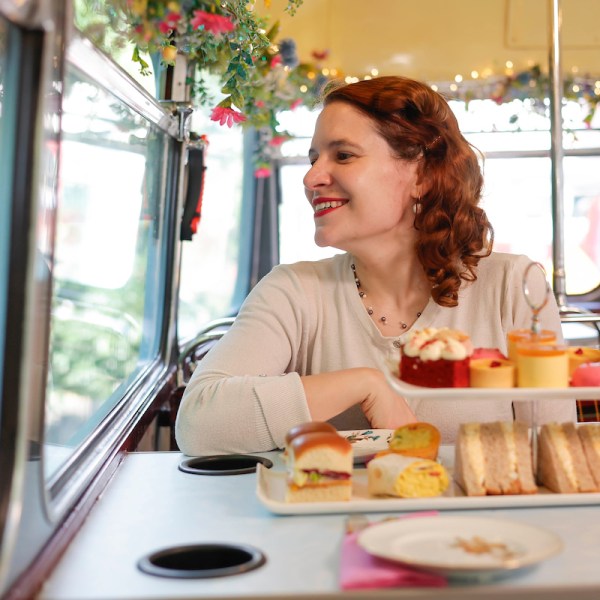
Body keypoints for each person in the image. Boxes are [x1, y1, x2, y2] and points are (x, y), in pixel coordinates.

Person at [175, 75, 575, 456]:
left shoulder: (513, 287)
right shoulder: (294, 291)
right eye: (313, 158)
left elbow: (556, 456)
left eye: (343, 155)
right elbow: (198, 422)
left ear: (422, 173)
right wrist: (366, 385)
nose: (312, 177)